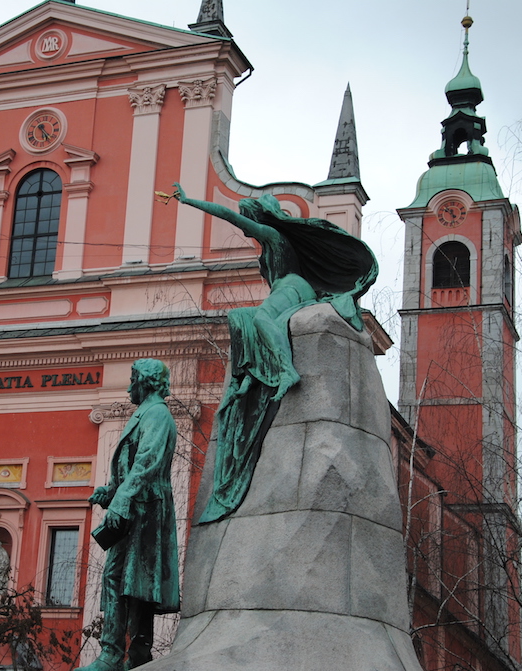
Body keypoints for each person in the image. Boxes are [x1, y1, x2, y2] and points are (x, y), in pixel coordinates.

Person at [171, 184, 377, 523]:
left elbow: (226, 214)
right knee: (243, 319)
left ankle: (285, 371)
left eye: (248, 215)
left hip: (294, 288)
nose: (245, 222)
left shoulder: (271, 235)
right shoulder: (271, 241)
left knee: (263, 319)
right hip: (294, 288)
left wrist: (189, 199)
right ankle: (255, 372)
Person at [78, 359, 180, 671]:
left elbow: (147, 463)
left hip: (146, 508)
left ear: (146, 382)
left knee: (129, 581)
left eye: (132, 380)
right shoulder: (144, 414)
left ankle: (115, 655)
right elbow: (132, 468)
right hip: (136, 505)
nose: (128, 387)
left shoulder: (158, 414)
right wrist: (111, 492)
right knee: (130, 581)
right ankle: (132, 655)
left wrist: (121, 499)